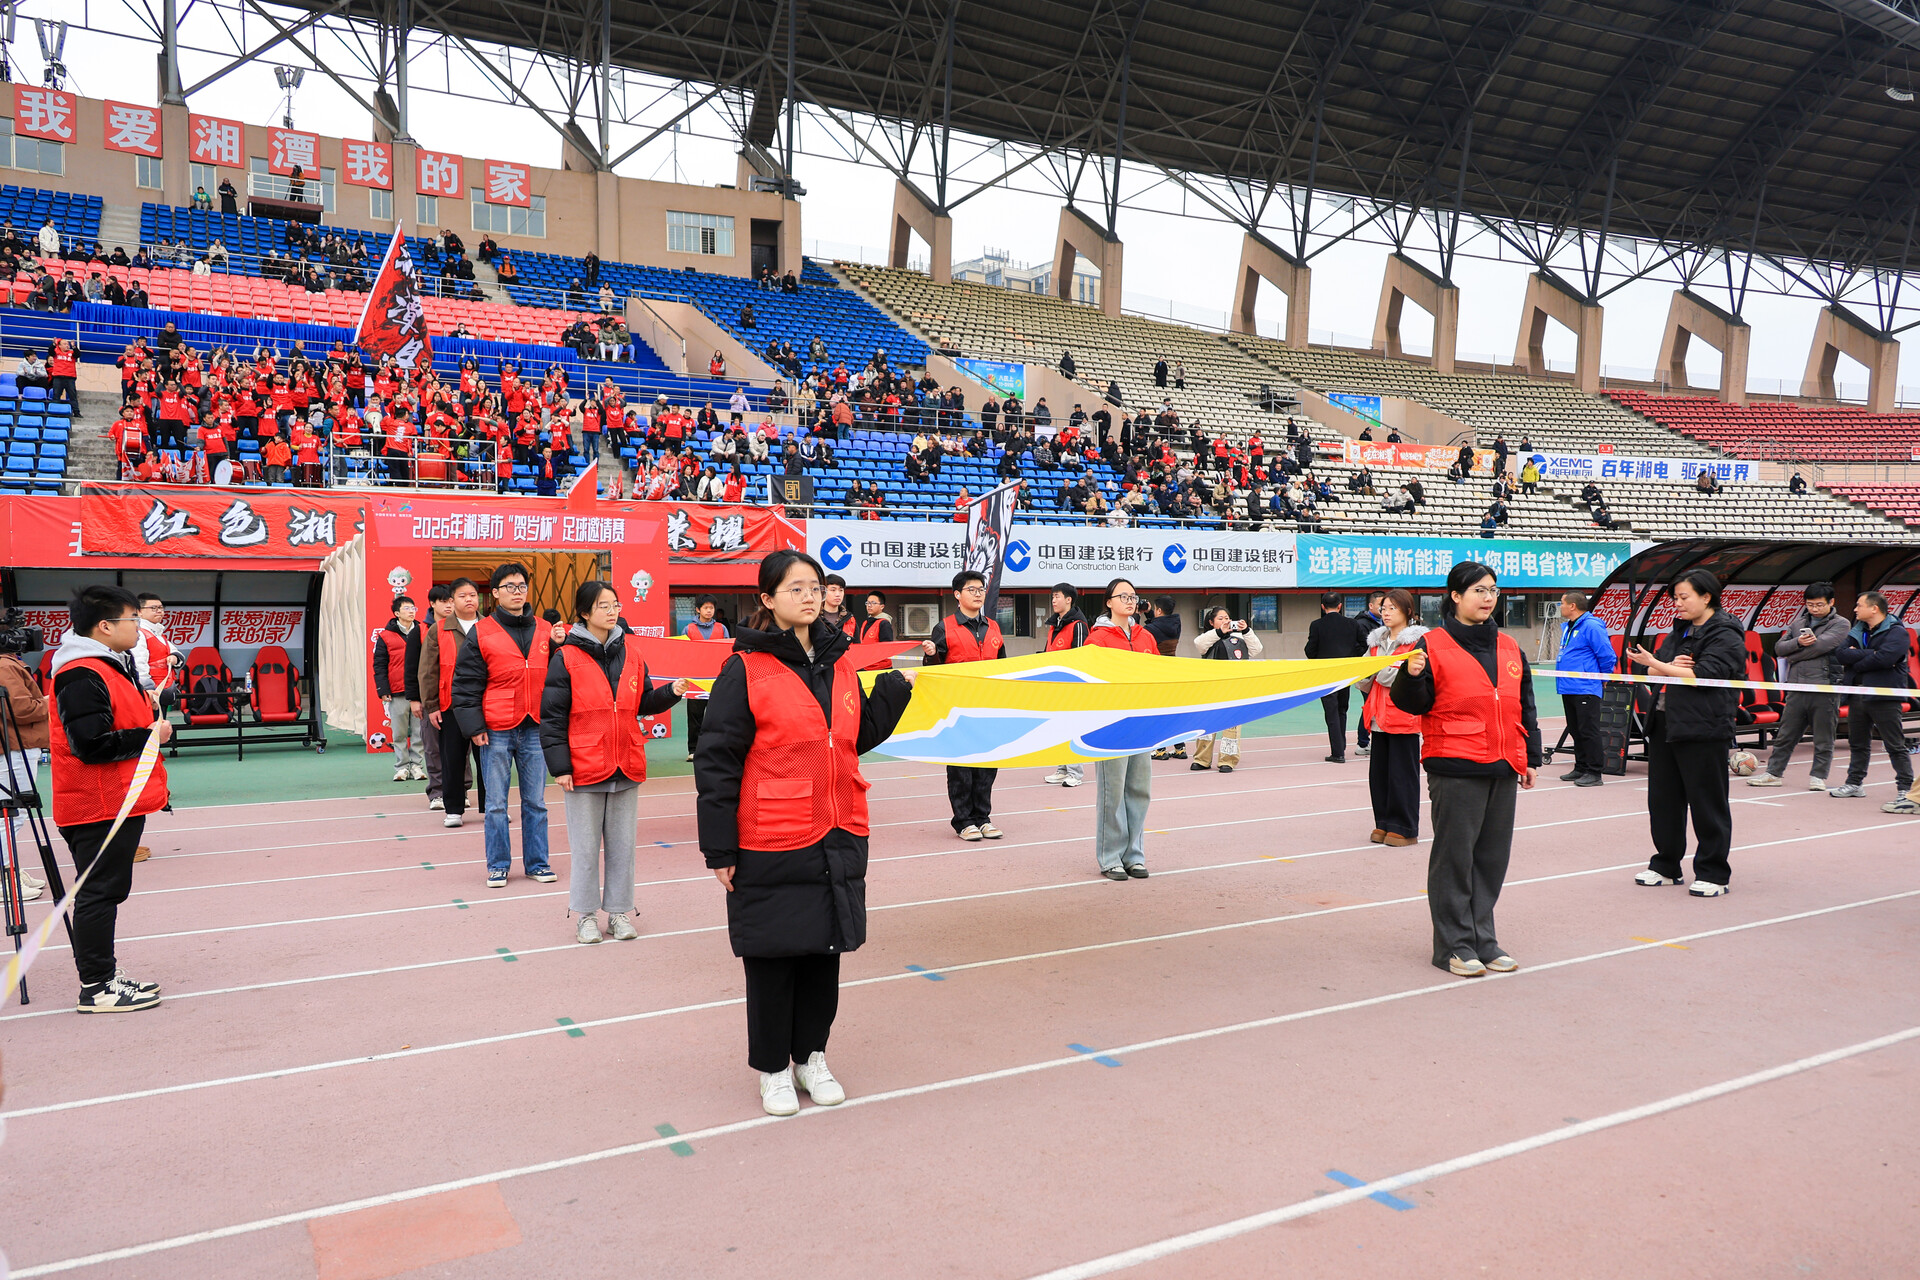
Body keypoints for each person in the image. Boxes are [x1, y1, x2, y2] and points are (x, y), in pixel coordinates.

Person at [695, 550, 915, 1116]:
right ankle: (772, 1068)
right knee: (772, 955)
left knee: (826, 950)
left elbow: (849, 738)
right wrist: (719, 846)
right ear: (767, 600)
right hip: (770, 833)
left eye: (814, 586)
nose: (810, 596)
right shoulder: (745, 668)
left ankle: (811, 1055)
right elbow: (717, 761)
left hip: (839, 827)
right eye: (795, 589)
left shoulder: (841, 663)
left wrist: (893, 691)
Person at [1389, 561, 1541, 975]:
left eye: (1492, 590)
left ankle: (1483, 940)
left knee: (1492, 859)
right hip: (1455, 765)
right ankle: (1453, 946)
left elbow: (1525, 707)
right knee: (1455, 859)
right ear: (1455, 596)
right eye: (1478, 590)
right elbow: (1410, 704)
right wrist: (1412, 677)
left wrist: (1530, 758)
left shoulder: (1510, 647)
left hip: (1503, 764)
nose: (1488, 597)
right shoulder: (1430, 645)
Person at [543, 580, 689, 945]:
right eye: (604, 605)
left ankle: (620, 912)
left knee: (623, 847)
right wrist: (560, 767)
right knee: (586, 848)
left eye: (615, 604)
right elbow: (553, 717)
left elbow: (642, 703)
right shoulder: (566, 657)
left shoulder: (633, 653)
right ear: (584, 613)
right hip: (583, 765)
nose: (612, 611)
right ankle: (586, 915)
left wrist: (671, 693)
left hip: (625, 761)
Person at [48, 585, 172, 1011]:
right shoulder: (80, 672)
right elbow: (91, 743)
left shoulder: (107, 664)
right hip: (97, 803)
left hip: (115, 799)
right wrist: (149, 735)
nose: (140, 626)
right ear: (104, 626)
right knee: (99, 892)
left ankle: (103, 975)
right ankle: (96, 987)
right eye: (133, 619)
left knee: (106, 890)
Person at [1624, 569, 1745, 896]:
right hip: (1666, 723)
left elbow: (1703, 675)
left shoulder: (1726, 633)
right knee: (1663, 799)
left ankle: (1713, 872)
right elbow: (1651, 669)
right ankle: (1665, 865)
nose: (1677, 603)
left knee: (1707, 801)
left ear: (1706, 597)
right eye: (1675, 598)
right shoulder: (1678, 631)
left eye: (1684, 597)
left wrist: (1663, 666)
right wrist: (1664, 665)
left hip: (1703, 726)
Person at [452, 563, 557, 889]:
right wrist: (474, 726)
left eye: (522, 585)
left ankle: (538, 864)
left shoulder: (545, 629)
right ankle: (497, 866)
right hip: (495, 728)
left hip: (535, 726)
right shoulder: (480, 633)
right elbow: (465, 684)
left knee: (536, 802)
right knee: (496, 804)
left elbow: (561, 677)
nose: (517, 591)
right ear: (495, 593)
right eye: (509, 586)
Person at [920, 570, 1006, 840]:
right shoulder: (944, 627)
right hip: (957, 708)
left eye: (981, 589)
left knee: (987, 764)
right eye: (972, 589)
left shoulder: (993, 626)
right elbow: (932, 671)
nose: (978, 593)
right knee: (961, 767)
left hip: (988, 707)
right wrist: (932, 656)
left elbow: (1003, 665)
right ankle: (963, 821)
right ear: (957, 595)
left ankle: (983, 817)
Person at [1086, 578, 1158, 879]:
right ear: (1109, 602)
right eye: (1122, 596)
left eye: (1133, 596)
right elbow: (1090, 682)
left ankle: (1134, 855)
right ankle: (1110, 857)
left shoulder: (1145, 637)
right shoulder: (1097, 640)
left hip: (1141, 723)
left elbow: (1159, 675)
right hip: (1111, 724)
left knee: (1139, 791)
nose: (1129, 601)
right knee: (1112, 793)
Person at [1749, 581, 1846, 791]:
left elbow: (1820, 647)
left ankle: (1818, 777)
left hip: (1825, 687)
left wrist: (1793, 653)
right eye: (1810, 604)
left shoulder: (1841, 624)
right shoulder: (1798, 623)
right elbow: (1779, 648)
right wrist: (1798, 643)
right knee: (1785, 734)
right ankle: (1774, 773)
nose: (1814, 609)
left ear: (1831, 602)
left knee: (1823, 736)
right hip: (1797, 687)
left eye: (1820, 605)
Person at [1828, 590, 1915, 810]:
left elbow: (1886, 658)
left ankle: (1905, 789)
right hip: (1858, 693)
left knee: (1895, 745)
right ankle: (1854, 783)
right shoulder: (1858, 630)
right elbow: (1840, 654)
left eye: (1859, 605)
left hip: (1885, 695)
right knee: (1857, 743)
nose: (1855, 609)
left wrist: (1858, 658)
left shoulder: (1897, 632)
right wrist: (1871, 655)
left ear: (1874, 608)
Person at [1360, 590, 1425, 845]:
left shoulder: (1418, 641)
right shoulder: (1376, 641)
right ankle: (1383, 823)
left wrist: (1376, 670)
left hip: (1403, 716)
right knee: (1380, 776)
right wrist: (1377, 670)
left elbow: (1400, 677)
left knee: (1402, 775)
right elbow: (1363, 677)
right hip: (1377, 715)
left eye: (1392, 609)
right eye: (1383, 608)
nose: (1386, 613)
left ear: (1408, 612)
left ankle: (1405, 827)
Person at [420, 577, 484, 829]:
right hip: (450, 705)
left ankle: (492, 807)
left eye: (472, 595)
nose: (469, 599)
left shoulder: (490, 626)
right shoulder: (439, 629)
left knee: (488, 760)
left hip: (484, 705)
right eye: (462, 595)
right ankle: (454, 809)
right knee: (452, 759)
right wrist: (432, 706)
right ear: (452, 601)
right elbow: (428, 670)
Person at [0, 625, 50, 902]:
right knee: (10, 815)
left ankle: (10, 870)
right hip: (13, 747)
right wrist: (47, 703)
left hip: (16, 746)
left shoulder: (7, 664)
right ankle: (4, 875)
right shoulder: (5, 666)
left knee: (10, 815)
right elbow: (21, 709)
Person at [1191, 606, 1263, 773]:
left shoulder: (1239, 638)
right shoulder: (1208, 638)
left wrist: (1247, 631)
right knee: (1207, 725)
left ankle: (1227, 760)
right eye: (1220, 618)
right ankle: (1202, 759)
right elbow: (1199, 644)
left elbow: (1256, 649)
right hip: (1210, 688)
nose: (1225, 621)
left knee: (1232, 727)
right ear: (1211, 622)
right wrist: (1219, 632)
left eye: (1227, 618)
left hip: (1234, 689)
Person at [1554, 591, 1615, 787]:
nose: (1560, 606)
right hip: (1568, 685)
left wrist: (1603, 676)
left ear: (1572, 606)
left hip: (1585, 686)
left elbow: (1606, 654)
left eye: (1562, 603)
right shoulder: (1569, 627)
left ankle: (1594, 771)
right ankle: (1580, 766)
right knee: (1575, 729)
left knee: (1588, 729)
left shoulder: (1591, 625)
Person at [1305, 592, 1364, 762]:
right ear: (1340, 606)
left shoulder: (1316, 625)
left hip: (1326, 673)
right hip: (1345, 672)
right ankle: (1341, 746)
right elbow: (1363, 645)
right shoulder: (1352, 624)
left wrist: (1320, 660)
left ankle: (1338, 752)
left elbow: (1310, 650)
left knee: (1331, 712)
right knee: (1342, 709)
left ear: (1323, 607)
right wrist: (1350, 656)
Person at [372, 595, 425, 783]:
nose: (412, 611)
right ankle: (402, 767)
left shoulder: (423, 631)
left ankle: (417, 766)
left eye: (414, 608)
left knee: (419, 731)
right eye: (407, 608)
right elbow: (379, 664)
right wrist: (382, 688)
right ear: (396, 613)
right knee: (399, 732)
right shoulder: (385, 636)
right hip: (397, 691)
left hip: (420, 691)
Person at [1041, 584, 1090, 788]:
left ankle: (1075, 772)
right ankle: (1062, 769)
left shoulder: (1078, 625)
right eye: (1052, 597)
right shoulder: (1055, 625)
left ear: (1069, 599)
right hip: (1055, 686)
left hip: (1072, 687)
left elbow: (1080, 657)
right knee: (1058, 727)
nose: (1053, 601)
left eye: (1057, 597)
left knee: (1073, 726)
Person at [683, 595, 731, 762]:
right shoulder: (688, 629)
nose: (709, 610)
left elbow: (728, 654)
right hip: (696, 680)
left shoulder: (722, 629)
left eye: (711, 608)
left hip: (717, 679)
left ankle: (716, 749)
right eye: (706, 608)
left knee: (717, 716)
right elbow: (683, 653)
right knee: (695, 717)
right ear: (698, 609)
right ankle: (693, 750)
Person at [1351, 592, 1384, 757]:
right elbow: (1359, 648)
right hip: (1369, 673)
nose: (1384, 609)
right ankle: (1363, 743)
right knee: (1370, 706)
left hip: (1382, 672)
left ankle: (1367, 741)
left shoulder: (1384, 622)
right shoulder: (1362, 624)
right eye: (1381, 605)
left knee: (1375, 706)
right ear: (1371, 606)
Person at [848, 590, 896, 672]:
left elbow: (886, 648)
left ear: (882, 606)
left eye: (873, 603)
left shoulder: (884, 623)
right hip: (866, 666)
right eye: (867, 603)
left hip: (881, 668)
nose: (869, 606)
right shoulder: (866, 622)